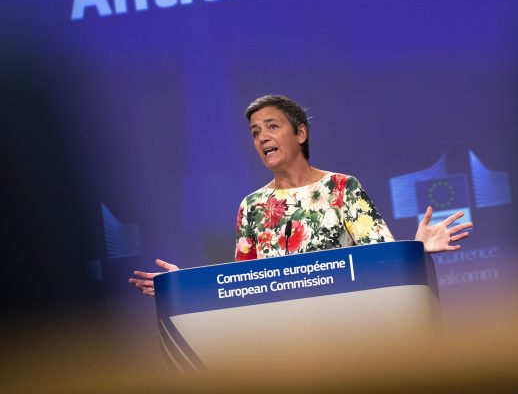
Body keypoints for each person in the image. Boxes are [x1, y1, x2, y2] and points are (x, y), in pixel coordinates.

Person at [130, 95, 472, 296]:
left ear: (301, 132)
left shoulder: (341, 188)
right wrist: (183, 286)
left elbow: (381, 259)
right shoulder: (252, 207)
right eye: (255, 133)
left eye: (272, 126)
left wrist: (417, 249)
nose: (262, 137)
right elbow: (242, 287)